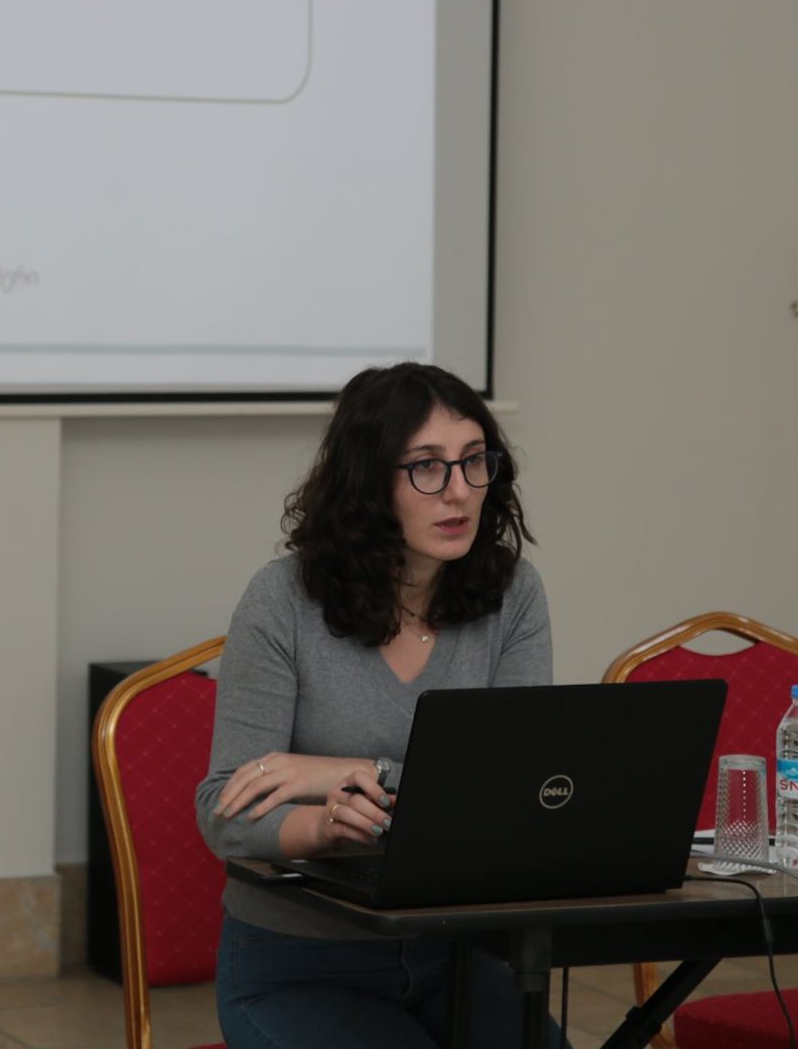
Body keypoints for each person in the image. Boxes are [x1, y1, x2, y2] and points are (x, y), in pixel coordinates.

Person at [196, 361, 568, 1049]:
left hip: (458, 952)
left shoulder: (512, 594)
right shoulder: (282, 600)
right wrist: (326, 826)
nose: (459, 490)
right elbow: (226, 810)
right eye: (426, 467)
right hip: (299, 965)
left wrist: (352, 772)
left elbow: (516, 794)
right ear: (367, 482)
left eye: (474, 461)